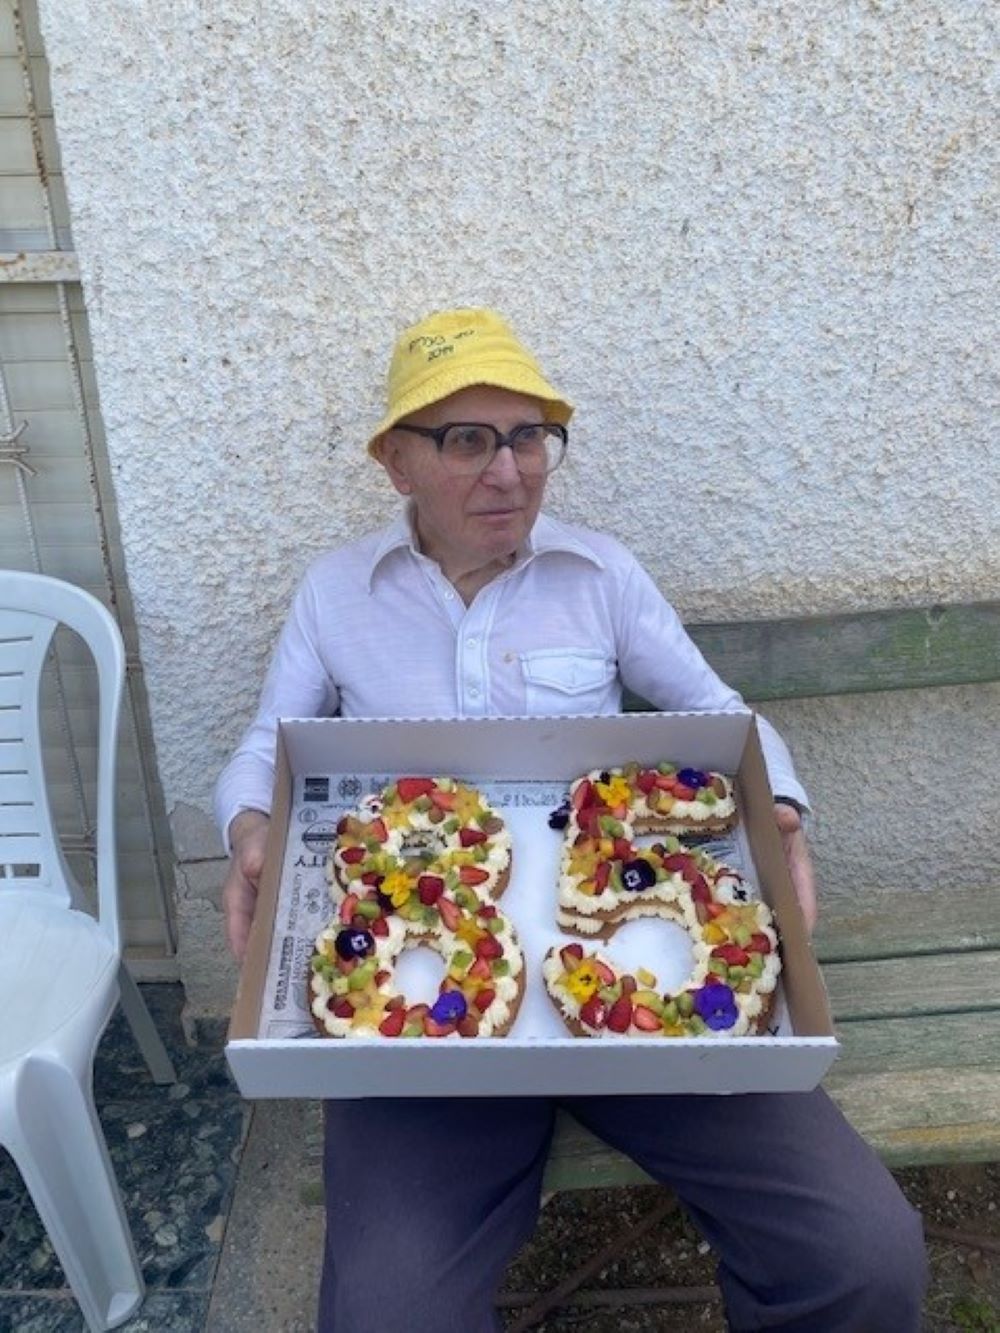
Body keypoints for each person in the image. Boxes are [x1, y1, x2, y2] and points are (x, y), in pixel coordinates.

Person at [216, 307, 927, 1332]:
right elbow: (263, 744)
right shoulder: (336, 594)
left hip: (650, 988)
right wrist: (250, 829)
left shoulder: (600, 576)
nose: (508, 470)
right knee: (386, 1313)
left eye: (528, 436)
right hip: (421, 1017)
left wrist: (781, 811)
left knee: (860, 1254)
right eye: (468, 439)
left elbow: (722, 715)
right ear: (394, 463)